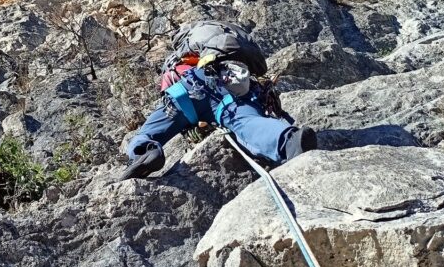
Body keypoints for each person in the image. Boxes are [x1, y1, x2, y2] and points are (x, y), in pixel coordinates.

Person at [121, 22, 317, 180]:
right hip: (232, 86)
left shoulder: (181, 53)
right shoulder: (231, 39)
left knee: (148, 132)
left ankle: (144, 152)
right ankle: (288, 141)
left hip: (188, 88)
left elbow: (170, 81)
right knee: (245, 121)